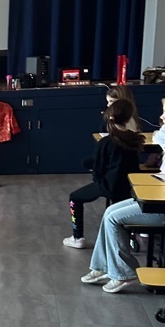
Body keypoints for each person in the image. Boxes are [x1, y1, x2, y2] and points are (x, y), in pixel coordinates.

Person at [81, 88, 165, 293]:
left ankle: (123, 273)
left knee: (112, 218)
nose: (162, 117)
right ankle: (103, 267)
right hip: (159, 199)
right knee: (110, 212)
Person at [63, 100, 145, 249]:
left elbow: (98, 168)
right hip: (129, 186)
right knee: (120, 205)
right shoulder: (135, 140)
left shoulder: (106, 142)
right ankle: (129, 237)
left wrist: (98, 182)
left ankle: (77, 237)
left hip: (108, 185)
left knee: (74, 198)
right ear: (129, 118)